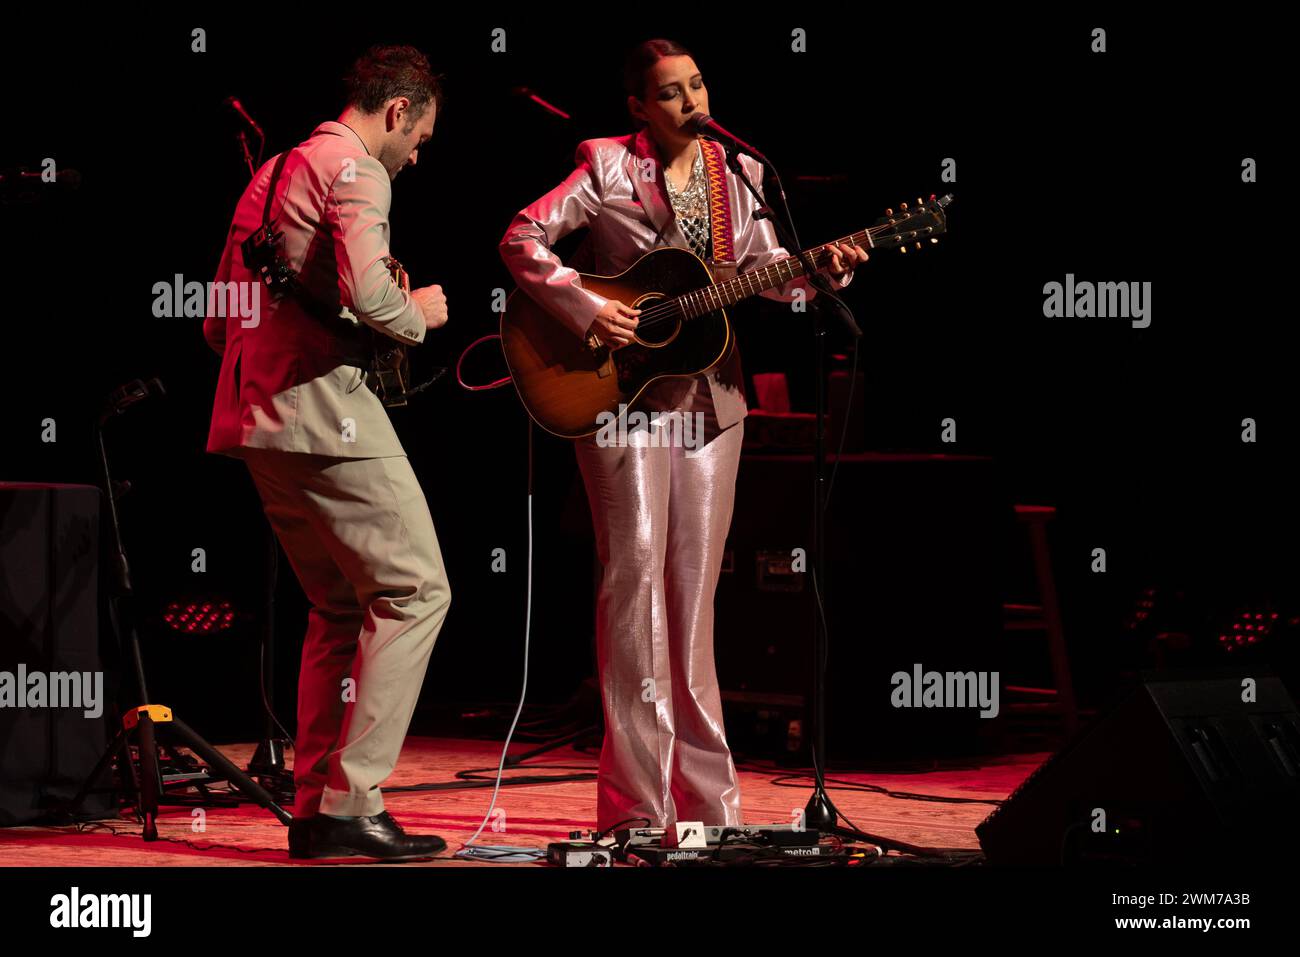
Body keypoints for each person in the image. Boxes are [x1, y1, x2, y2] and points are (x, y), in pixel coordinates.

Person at [499, 38, 868, 834]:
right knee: (632, 589)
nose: (691, 101)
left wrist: (824, 269)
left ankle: (708, 807)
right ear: (637, 106)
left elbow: (774, 277)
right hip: (621, 396)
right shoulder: (603, 165)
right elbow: (522, 237)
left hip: (712, 400)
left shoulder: (741, 175)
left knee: (692, 599)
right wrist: (589, 306)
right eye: (670, 93)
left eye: (697, 85)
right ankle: (635, 807)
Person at [202, 45, 452, 860]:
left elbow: (215, 318)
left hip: (253, 412)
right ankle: (350, 801)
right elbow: (370, 294)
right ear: (396, 111)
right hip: (323, 413)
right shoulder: (358, 169)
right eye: (417, 139)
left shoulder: (272, 170)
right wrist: (418, 313)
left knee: (342, 606)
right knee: (417, 590)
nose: (416, 157)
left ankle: (317, 806)